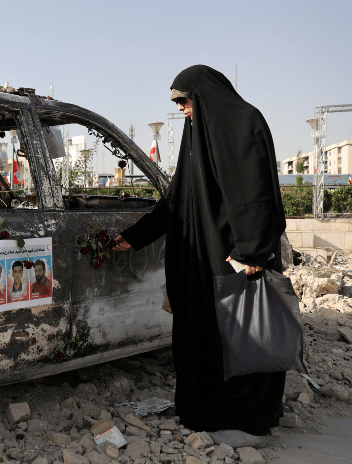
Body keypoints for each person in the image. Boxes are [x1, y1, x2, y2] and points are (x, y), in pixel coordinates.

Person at [113, 65, 286, 437]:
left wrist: (253, 253)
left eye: (184, 99)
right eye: (177, 101)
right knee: (202, 332)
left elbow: (255, 194)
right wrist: (137, 235)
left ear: (203, 94)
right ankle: (205, 412)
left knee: (244, 331)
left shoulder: (244, 123)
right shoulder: (197, 135)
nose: (180, 108)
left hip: (236, 256)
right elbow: (178, 197)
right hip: (200, 256)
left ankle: (249, 417)